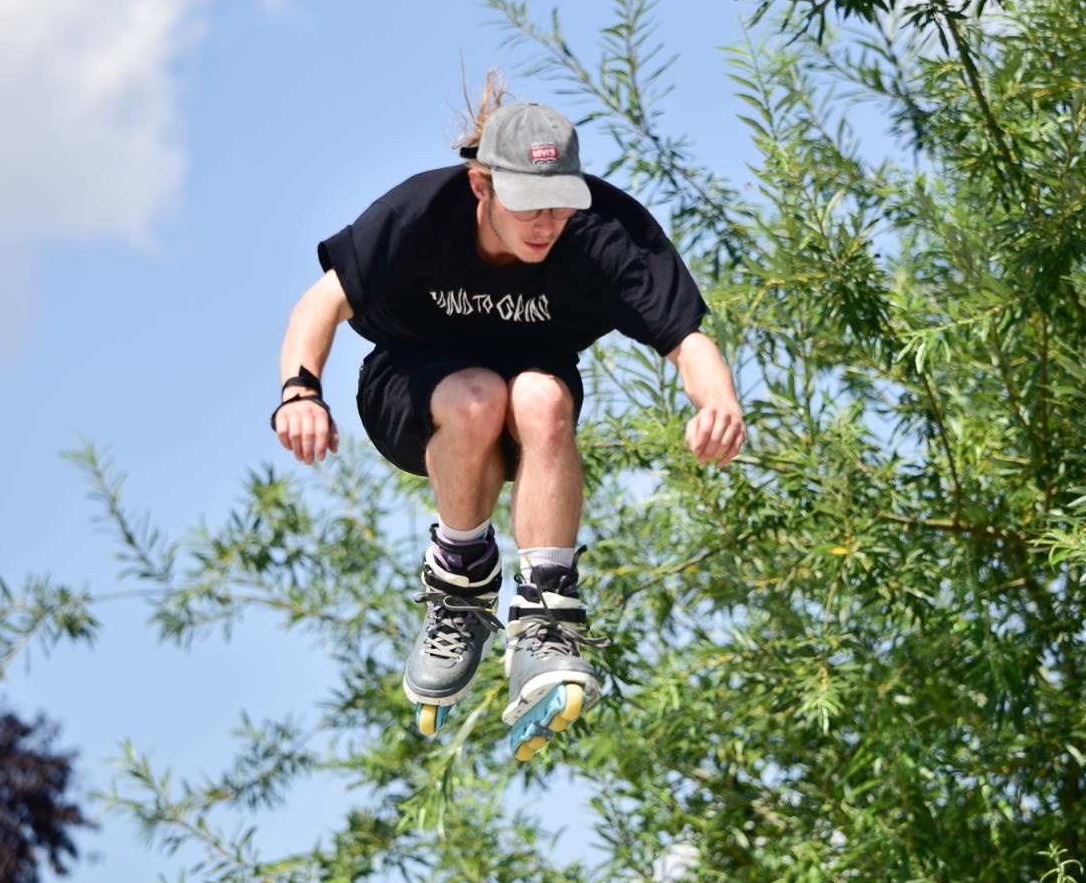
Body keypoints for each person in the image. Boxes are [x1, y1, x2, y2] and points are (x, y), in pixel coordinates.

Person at [273, 76, 745, 760]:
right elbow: (318, 306)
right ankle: (460, 588)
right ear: (481, 187)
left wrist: (719, 404)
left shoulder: (606, 232)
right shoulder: (421, 213)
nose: (545, 224)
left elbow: (687, 338)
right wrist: (299, 392)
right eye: (526, 205)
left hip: (531, 399)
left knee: (541, 398)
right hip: (411, 387)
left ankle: (548, 613)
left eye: (558, 205)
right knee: (476, 397)